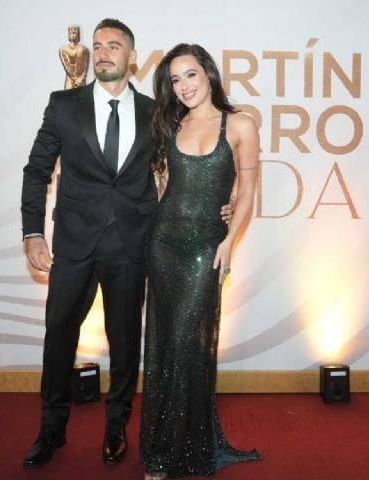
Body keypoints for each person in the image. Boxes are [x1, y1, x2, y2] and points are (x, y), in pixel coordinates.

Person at [20, 20, 232, 469]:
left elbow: (187, 166)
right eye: (97, 46)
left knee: (124, 342)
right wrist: (32, 232)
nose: (102, 53)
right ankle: (51, 428)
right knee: (59, 337)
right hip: (73, 244)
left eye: (113, 46)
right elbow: (37, 170)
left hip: (132, 245)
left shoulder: (157, 113)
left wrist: (222, 204)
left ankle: (116, 428)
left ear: (131, 57)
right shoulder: (63, 105)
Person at [139, 44, 261, 479]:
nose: (184, 86)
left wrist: (229, 242)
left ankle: (175, 450)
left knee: (188, 344)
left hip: (206, 248)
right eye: (175, 80)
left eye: (190, 74)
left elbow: (247, 192)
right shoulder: (171, 126)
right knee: (164, 345)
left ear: (207, 73)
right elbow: (164, 188)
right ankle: (166, 448)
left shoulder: (240, 124)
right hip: (163, 244)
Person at [59, 25, 90, 89]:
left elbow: (85, 69)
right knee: (68, 94)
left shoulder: (84, 50)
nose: (73, 31)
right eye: (71, 30)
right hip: (70, 80)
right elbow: (66, 66)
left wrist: (80, 79)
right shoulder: (63, 49)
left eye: (75, 30)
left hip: (81, 80)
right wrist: (74, 79)